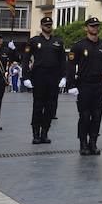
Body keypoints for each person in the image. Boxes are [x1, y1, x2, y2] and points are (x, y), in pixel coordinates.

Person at [67, 17, 102, 156]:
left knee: (97, 115)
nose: (95, 28)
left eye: (96, 26)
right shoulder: (78, 45)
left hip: (99, 84)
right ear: (86, 28)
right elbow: (70, 65)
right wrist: (71, 84)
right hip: (84, 84)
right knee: (84, 115)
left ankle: (93, 142)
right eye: (92, 26)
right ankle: (83, 143)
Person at [21, 16, 67, 144]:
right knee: (38, 105)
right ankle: (36, 134)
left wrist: (64, 76)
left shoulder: (58, 41)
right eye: (46, 24)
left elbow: (63, 61)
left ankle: (45, 133)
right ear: (41, 26)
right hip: (39, 76)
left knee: (50, 107)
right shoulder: (34, 41)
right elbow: (26, 59)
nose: (48, 26)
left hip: (53, 76)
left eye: (50, 24)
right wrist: (26, 77)